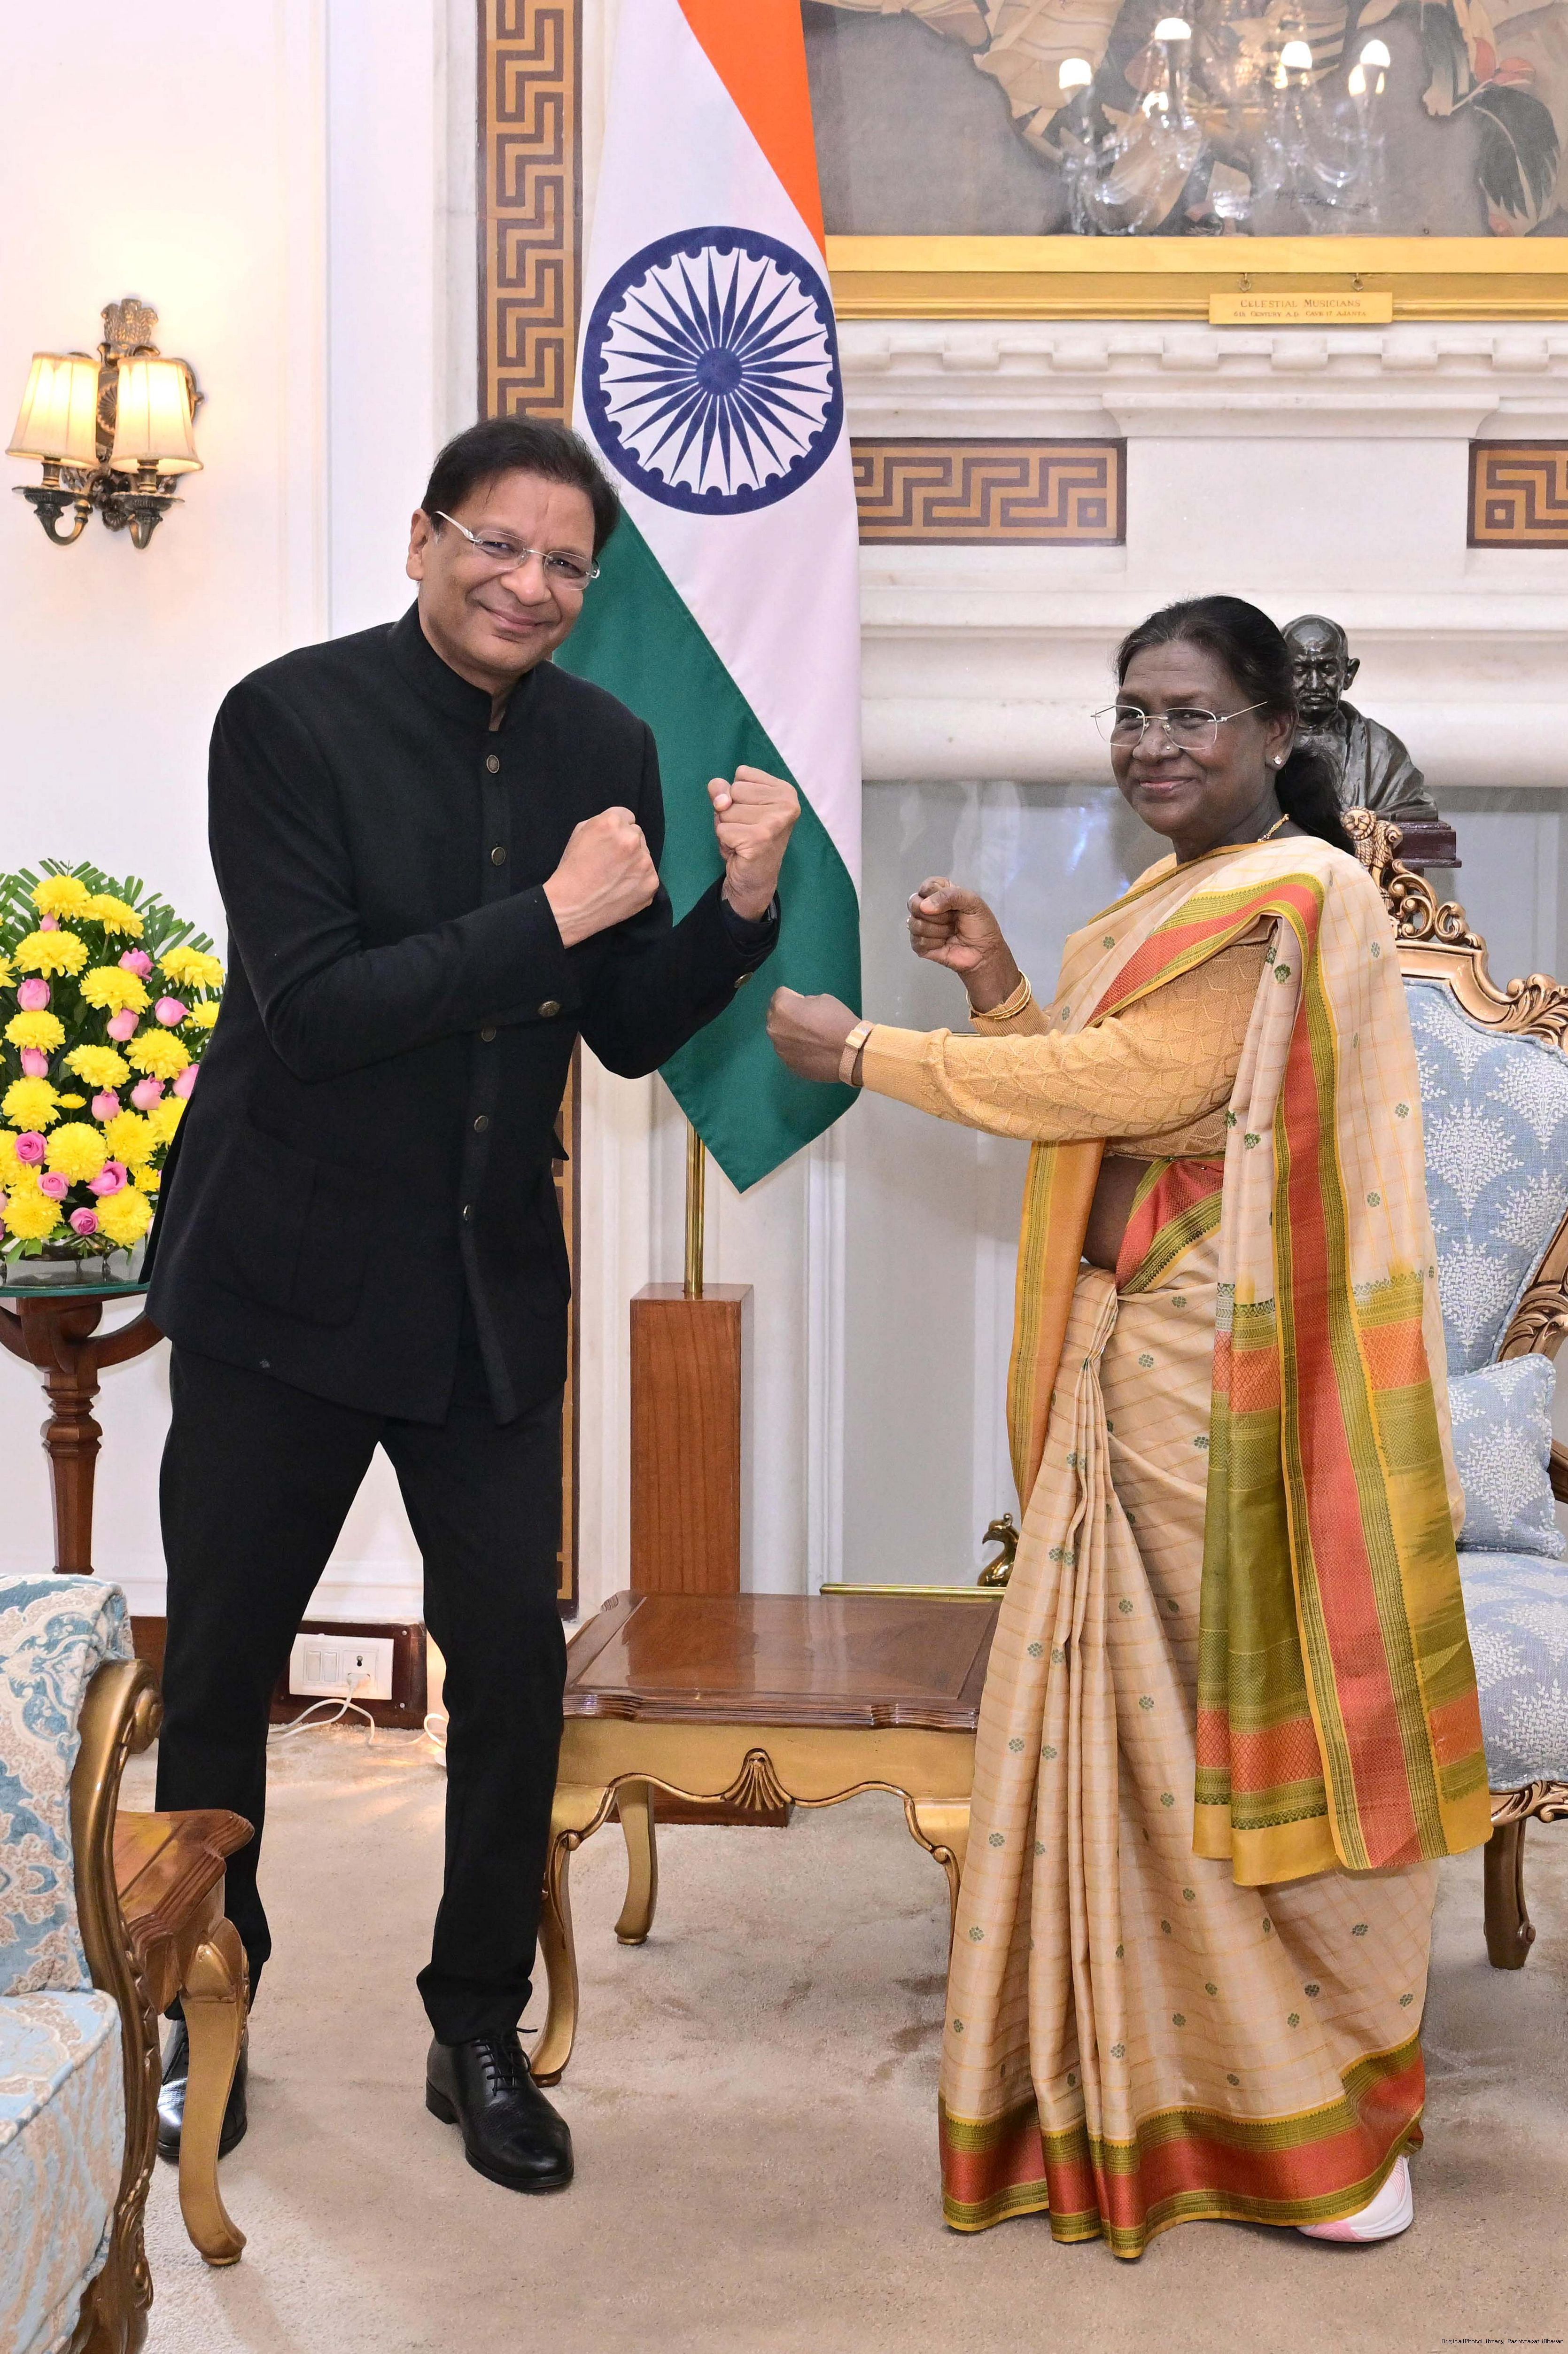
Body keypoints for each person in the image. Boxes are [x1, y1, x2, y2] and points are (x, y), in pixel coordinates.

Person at [767, 596, 1489, 2256]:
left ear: (1274, 735)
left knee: (1224, 1749)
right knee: (1136, 1755)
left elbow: (1126, 1091)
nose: (1151, 744)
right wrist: (996, 985)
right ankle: (1155, 2090)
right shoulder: (1164, 902)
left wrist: (865, 1049)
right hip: (1131, 1360)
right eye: (1130, 713)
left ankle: (1309, 2122)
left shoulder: (1294, 892)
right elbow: (1102, 1097)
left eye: (1187, 714)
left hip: (1225, 1382)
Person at [146, 416, 798, 2194]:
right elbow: (316, 1009)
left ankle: (476, 2023)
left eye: (563, 563)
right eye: (496, 544)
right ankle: (206, 2003)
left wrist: (736, 907)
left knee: (510, 1665)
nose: (527, 582)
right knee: (221, 1668)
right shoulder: (285, 719)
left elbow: (628, 1027)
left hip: (486, 1291)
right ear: (424, 537)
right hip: (281, 1283)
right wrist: (558, 908)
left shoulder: (607, 741)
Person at [1283, 612, 1440, 820]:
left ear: (1348, 674)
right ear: (1280, 675)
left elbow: (1416, 812)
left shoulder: (1382, 750)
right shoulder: (1257, 742)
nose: (1315, 684)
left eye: (1327, 670)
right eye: (1301, 671)